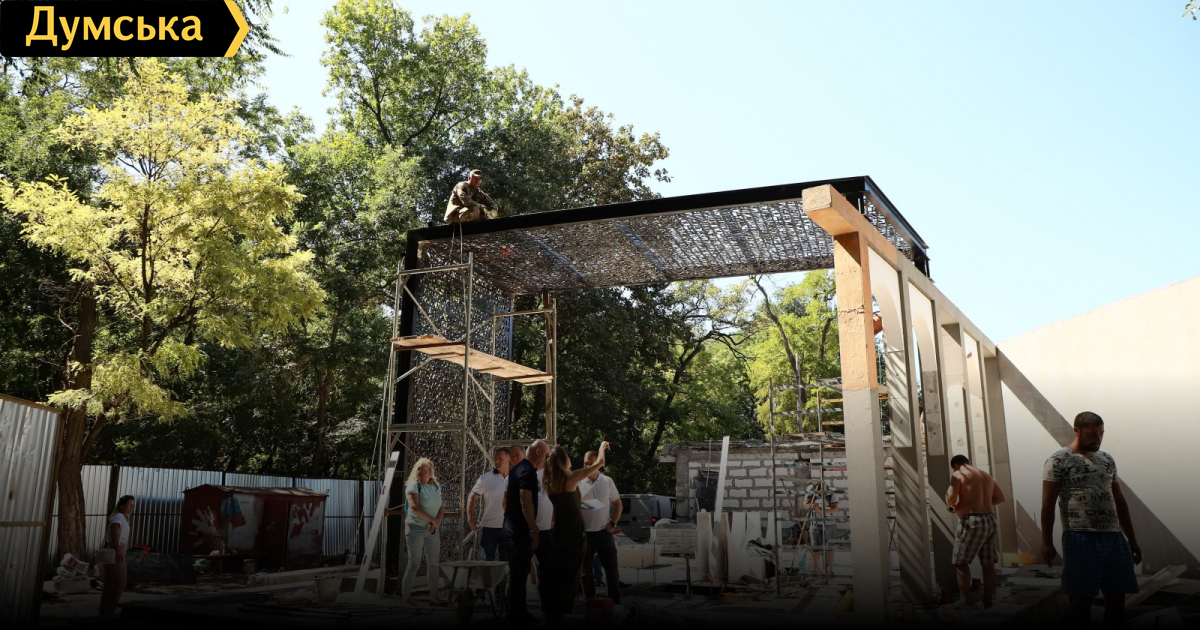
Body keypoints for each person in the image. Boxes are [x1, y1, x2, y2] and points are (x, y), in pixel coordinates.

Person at [1041, 412, 1141, 628]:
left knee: (1117, 598)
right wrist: (1047, 542)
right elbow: (1048, 504)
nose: (1098, 439)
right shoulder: (1058, 460)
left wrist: (1132, 540)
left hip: (1114, 538)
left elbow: (1119, 501)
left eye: (1101, 434)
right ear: (1077, 431)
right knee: (1081, 600)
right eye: (1092, 434)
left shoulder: (1107, 459)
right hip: (1080, 537)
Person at [543, 441, 609, 623]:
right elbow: (600, 463)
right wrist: (602, 447)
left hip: (558, 532)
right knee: (571, 576)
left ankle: (551, 612)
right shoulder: (570, 478)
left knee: (557, 574)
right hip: (574, 534)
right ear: (564, 460)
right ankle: (561, 615)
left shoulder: (549, 481)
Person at [944, 454, 1006, 609]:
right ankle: (987, 600)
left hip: (972, 521)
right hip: (989, 519)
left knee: (960, 561)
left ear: (956, 465)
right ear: (968, 462)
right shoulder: (985, 475)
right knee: (988, 562)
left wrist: (952, 505)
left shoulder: (958, 474)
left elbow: (950, 498)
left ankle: (965, 601)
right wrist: (982, 504)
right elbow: (1000, 498)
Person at [505, 439, 549, 623]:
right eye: (546, 455)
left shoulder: (519, 468)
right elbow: (526, 502)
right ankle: (516, 615)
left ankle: (518, 612)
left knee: (519, 573)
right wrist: (533, 529)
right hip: (520, 531)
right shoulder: (527, 471)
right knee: (519, 574)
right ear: (538, 452)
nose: (546, 459)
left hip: (514, 528)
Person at [579, 450, 623, 603]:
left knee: (611, 568)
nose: (587, 466)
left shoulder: (607, 481)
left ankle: (614, 600)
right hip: (585, 533)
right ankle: (590, 601)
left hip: (604, 532)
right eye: (585, 463)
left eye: (591, 463)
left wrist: (613, 523)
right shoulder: (578, 481)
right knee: (586, 571)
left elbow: (618, 504)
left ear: (598, 464)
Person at [402, 457, 445, 606]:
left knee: (434, 564)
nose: (431, 470)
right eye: (427, 467)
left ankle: (434, 598)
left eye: (432, 467)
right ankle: (406, 598)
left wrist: (436, 522)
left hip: (432, 528)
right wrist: (433, 520)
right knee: (414, 562)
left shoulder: (435, 486)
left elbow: (441, 506)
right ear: (419, 470)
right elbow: (415, 508)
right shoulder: (414, 485)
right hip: (416, 527)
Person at [469, 447, 511, 561]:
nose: (496, 460)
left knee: (506, 563)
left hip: (509, 527)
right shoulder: (486, 478)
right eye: (495, 458)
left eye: (500, 458)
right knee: (486, 563)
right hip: (489, 527)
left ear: (508, 459)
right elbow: (472, 497)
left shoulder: (516, 477)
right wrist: (470, 519)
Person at [99, 495, 135, 615]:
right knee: (120, 583)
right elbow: (114, 532)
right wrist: (118, 551)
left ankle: (104, 611)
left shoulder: (123, 517)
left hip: (113, 550)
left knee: (110, 584)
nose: (132, 507)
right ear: (122, 506)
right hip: (115, 550)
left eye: (133, 505)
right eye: (129, 505)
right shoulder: (119, 516)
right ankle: (110, 610)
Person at [803, 479, 839, 579]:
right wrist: (811, 505)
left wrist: (820, 509)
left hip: (829, 523)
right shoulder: (811, 489)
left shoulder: (832, 492)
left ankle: (830, 571)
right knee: (815, 548)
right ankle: (814, 571)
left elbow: (834, 509)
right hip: (815, 522)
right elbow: (805, 504)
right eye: (818, 491)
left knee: (829, 548)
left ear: (825, 486)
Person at [532, 463, 556, 611]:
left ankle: (546, 605)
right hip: (529, 532)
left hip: (546, 531)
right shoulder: (526, 475)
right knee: (521, 570)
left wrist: (552, 520)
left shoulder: (550, 477)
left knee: (546, 569)